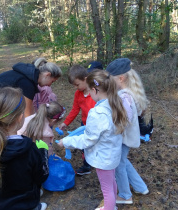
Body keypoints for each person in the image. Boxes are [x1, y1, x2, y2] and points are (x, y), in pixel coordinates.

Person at [57, 70, 128, 210]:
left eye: (89, 91)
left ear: (95, 90)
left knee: (106, 189)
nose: (89, 94)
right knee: (111, 182)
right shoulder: (116, 104)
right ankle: (111, 206)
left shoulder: (97, 113)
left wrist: (66, 142)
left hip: (103, 157)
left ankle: (109, 208)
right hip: (112, 154)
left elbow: (88, 140)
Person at [0, 87, 49, 210]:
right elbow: (41, 176)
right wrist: (43, 153)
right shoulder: (30, 149)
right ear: (20, 118)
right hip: (25, 204)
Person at [0, 61, 62, 136]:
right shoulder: (27, 83)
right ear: (47, 75)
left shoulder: (25, 74)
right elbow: (28, 116)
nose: (49, 85)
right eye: (52, 81)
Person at [106, 58, 149, 205]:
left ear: (121, 78)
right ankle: (140, 187)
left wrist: (111, 131)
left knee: (119, 165)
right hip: (127, 137)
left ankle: (125, 195)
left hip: (122, 137)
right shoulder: (129, 92)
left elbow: (124, 121)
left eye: (110, 79)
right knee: (123, 162)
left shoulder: (123, 96)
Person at [58, 63, 102, 175]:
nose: (75, 88)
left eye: (77, 84)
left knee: (98, 144)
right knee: (85, 144)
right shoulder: (78, 94)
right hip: (85, 124)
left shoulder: (96, 93)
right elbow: (75, 110)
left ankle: (100, 163)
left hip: (97, 125)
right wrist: (65, 123)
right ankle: (87, 165)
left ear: (86, 79)